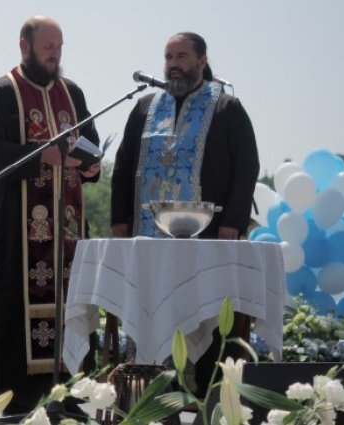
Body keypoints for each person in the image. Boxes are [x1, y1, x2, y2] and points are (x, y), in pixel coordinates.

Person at [110, 32, 259, 397]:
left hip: (207, 248)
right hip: (149, 247)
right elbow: (123, 166)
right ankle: (147, 403)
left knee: (205, 324)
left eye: (181, 56)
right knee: (150, 321)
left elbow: (247, 168)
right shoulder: (145, 107)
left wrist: (231, 228)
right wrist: (119, 226)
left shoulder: (226, 107)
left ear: (202, 60)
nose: (173, 64)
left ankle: (207, 405)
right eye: (168, 56)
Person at [0, 15, 101, 415]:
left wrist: (93, 166)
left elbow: (90, 143)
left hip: (67, 227)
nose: (54, 54)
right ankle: (12, 399)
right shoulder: (1, 93)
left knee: (72, 307)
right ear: (24, 45)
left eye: (59, 48)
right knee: (10, 309)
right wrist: (41, 156)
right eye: (48, 47)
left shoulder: (72, 92)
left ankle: (71, 394)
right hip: (17, 227)